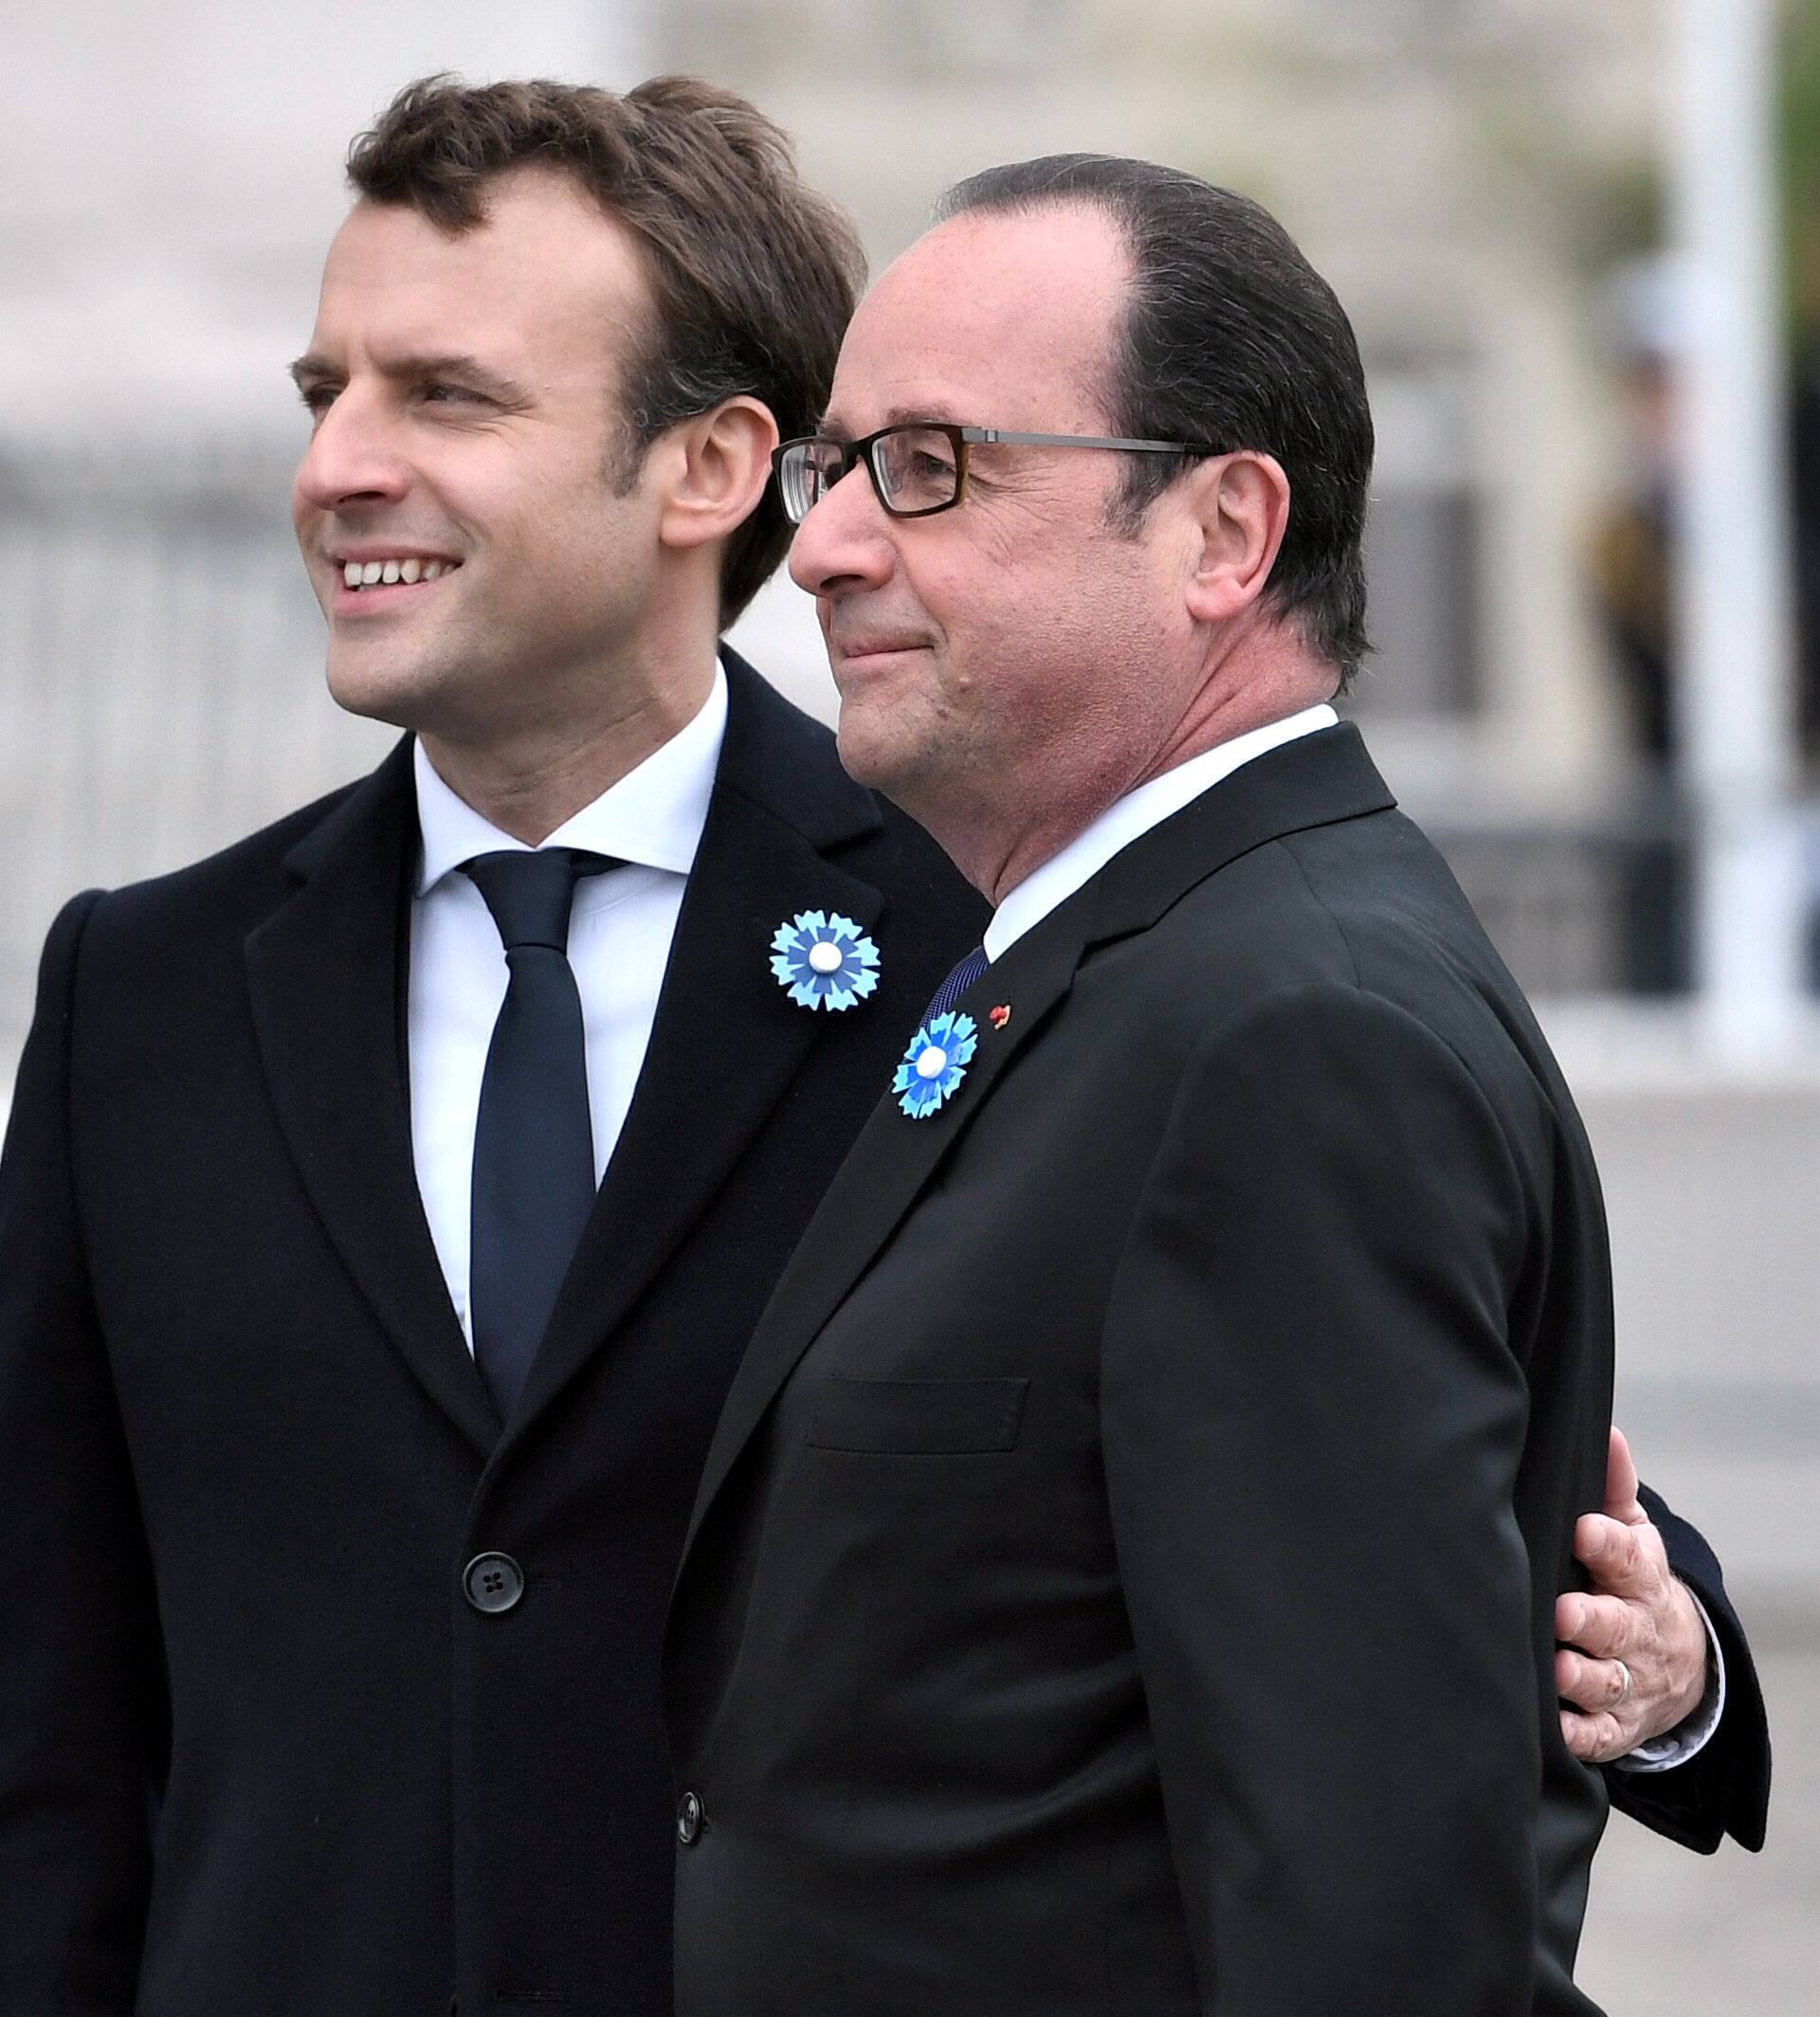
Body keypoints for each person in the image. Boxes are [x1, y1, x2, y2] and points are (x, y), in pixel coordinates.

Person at [0, 86, 1761, 2017]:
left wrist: (1674, 1669)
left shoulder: (1010, 943)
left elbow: (1391, 1501)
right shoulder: (140, 994)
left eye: (445, 393)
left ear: (708, 467)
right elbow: (53, 1731)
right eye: (319, 389)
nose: (337, 464)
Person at [660, 157, 1763, 2017]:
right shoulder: (1128, 955)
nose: (829, 545)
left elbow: (1373, 1928)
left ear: (1222, 532)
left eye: (927, 467)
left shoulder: (1289, 1034)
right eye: (829, 470)